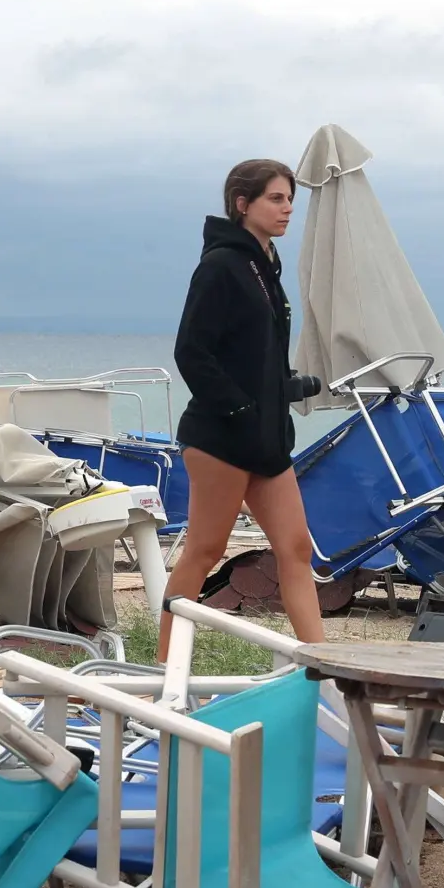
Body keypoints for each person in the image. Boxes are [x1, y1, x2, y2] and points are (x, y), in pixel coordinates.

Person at [157, 158, 327, 659]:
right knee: (205, 553)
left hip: (267, 442)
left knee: (296, 550)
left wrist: (283, 388)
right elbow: (191, 351)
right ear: (242, 203)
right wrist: (238, 409)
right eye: (276, 198)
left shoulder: (265, 268)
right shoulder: (221, 266)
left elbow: (251, 354)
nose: (287, 208)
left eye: (290, 198)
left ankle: (323, 668)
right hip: (222, 440)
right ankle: (163, 671)